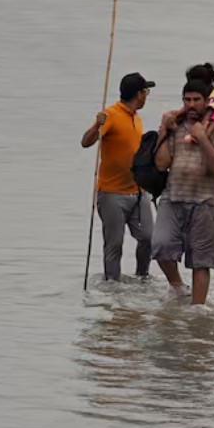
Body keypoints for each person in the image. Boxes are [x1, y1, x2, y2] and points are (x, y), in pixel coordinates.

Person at [152, 79, 214, 304]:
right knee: (160, 246)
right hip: (173, 196)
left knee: (201, 261)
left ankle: (197, 309)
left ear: (206, 101)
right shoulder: (177, 125)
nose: (191, 104)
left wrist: (201, 137)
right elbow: (162, 164)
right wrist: (164, 129)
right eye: (187, 99)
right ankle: (178, 287)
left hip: (206, 200)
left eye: (196, 100)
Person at [80, 72, 155, 281]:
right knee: (114, 245)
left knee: (149, 238)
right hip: (112, 193)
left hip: (138, 192)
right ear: (138, 94)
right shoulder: (111, 115)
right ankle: (112, 285)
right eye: (146, 92)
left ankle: (142, 277)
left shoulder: (137, 118)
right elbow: (86, 142)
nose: (147, 96)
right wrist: (96, 125)